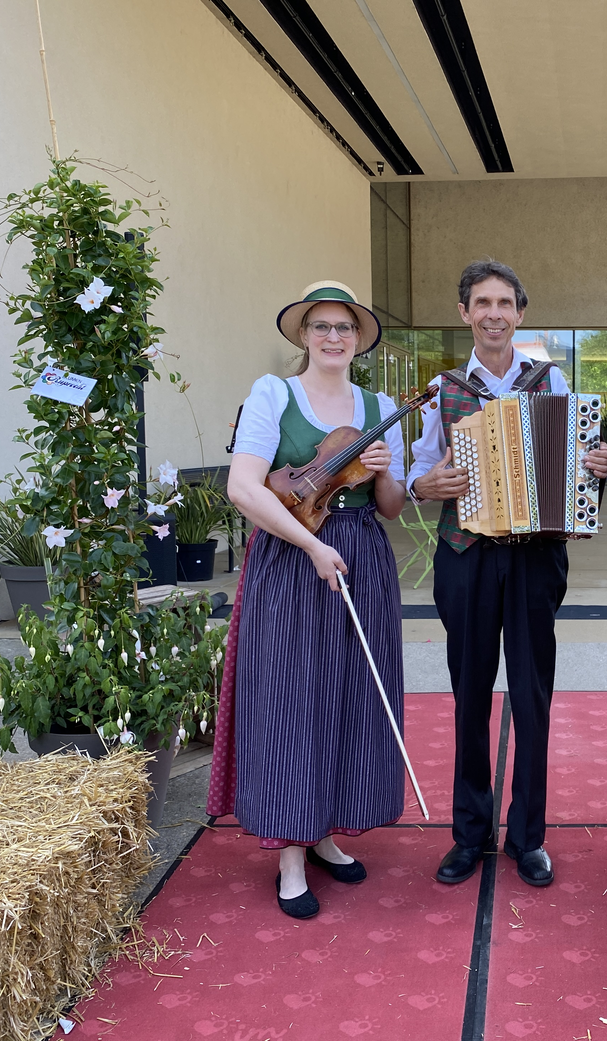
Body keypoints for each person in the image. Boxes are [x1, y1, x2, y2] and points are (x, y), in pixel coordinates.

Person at [410, 260, 607, 890]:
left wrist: (597, 466)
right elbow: (415, 477)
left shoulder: (551, 382)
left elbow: (580, 470)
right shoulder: (441, 389)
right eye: (482, 302)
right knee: (468, 699)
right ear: (466, 313)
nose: (494, 313)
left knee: (531, 698)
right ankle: (470, 836)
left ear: (520, 313)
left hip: (532, 560)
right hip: (465, 560)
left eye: (504, 302)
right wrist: (428, 485)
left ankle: (528, 838)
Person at [208, 280, 408, 919]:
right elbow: (245, 488)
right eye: (320, 326)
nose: (332, 336)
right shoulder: (274, 394)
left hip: (361, 559)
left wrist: (383, 471)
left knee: (347, 695)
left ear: (359, 338)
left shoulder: (377, 403)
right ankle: (290, 856)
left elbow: (392, 509)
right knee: (291, 699)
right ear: (303, 335)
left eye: (343, 327)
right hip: (294, 557)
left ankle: (322, 832)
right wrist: (310, 545)